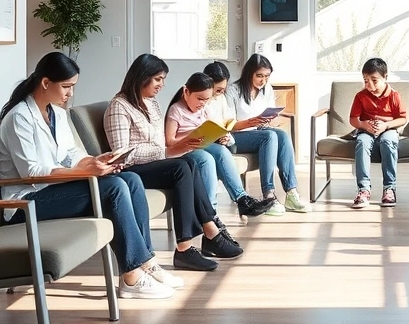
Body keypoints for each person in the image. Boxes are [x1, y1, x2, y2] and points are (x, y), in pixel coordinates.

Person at [0, 52, 178, 299]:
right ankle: (132, 277)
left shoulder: (57, 114)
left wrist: (94, 161)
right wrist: (84, 171)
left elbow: (71, 154)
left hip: (52, 190)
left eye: (73, 87)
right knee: (112, 188)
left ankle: (146, 262)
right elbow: (33, 174)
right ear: (46, 83)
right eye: (66, 86)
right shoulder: (19, 118)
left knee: (131, 180)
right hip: (25, 201)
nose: (70, 94)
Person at [104, 53, 243, 268]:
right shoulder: (119, 107)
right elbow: (121, 153)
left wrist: (177, 147)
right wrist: (166, 150)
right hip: (132, 169)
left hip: (151, 163)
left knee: (190, 163)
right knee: (181, 167)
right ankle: (192, 244)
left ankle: (208, 233)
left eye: (163, 80)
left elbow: (160, 142)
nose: (162, 85)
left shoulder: (152, 103)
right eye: (158, 79)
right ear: (142, 77)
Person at [164, 71, 275, 220]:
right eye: (199, 99)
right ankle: (210, 213)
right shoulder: (176, 110)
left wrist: (222, 136)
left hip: (202, 145)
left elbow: (215, 126)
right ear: (186, 92)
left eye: (206, 99)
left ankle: (243, 200)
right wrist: (191, 134)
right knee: (206, 159)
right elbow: (169, 142)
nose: (202, 103)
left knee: (222, 151)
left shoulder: (203, 108)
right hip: (184, 150)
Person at [225, 54, 310, 214]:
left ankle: (291, 192)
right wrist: (252, 122)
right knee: (269, 136)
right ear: (249, 73)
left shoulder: (267, 89)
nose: (263, 80)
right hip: (237, 136)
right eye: (259, 76)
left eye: (266, 76)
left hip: (259, 132)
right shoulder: (233, 90)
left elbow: (268, 118)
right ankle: (268, 196)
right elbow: (229, 125)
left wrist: (270, 120)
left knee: (282, 135)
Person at [348, 58, 408, 209]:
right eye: (366, 80)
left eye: (374, 80)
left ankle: (389, 188)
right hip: (366, 131)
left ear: (385, 77)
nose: (370, 85)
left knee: (388, 141)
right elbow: (353, 119)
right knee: (362, 142)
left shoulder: (394, 96)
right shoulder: (360, 96)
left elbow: (402, 118)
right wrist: (363, 125)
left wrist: (386, 125)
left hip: (388, 130)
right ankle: (364, 190)